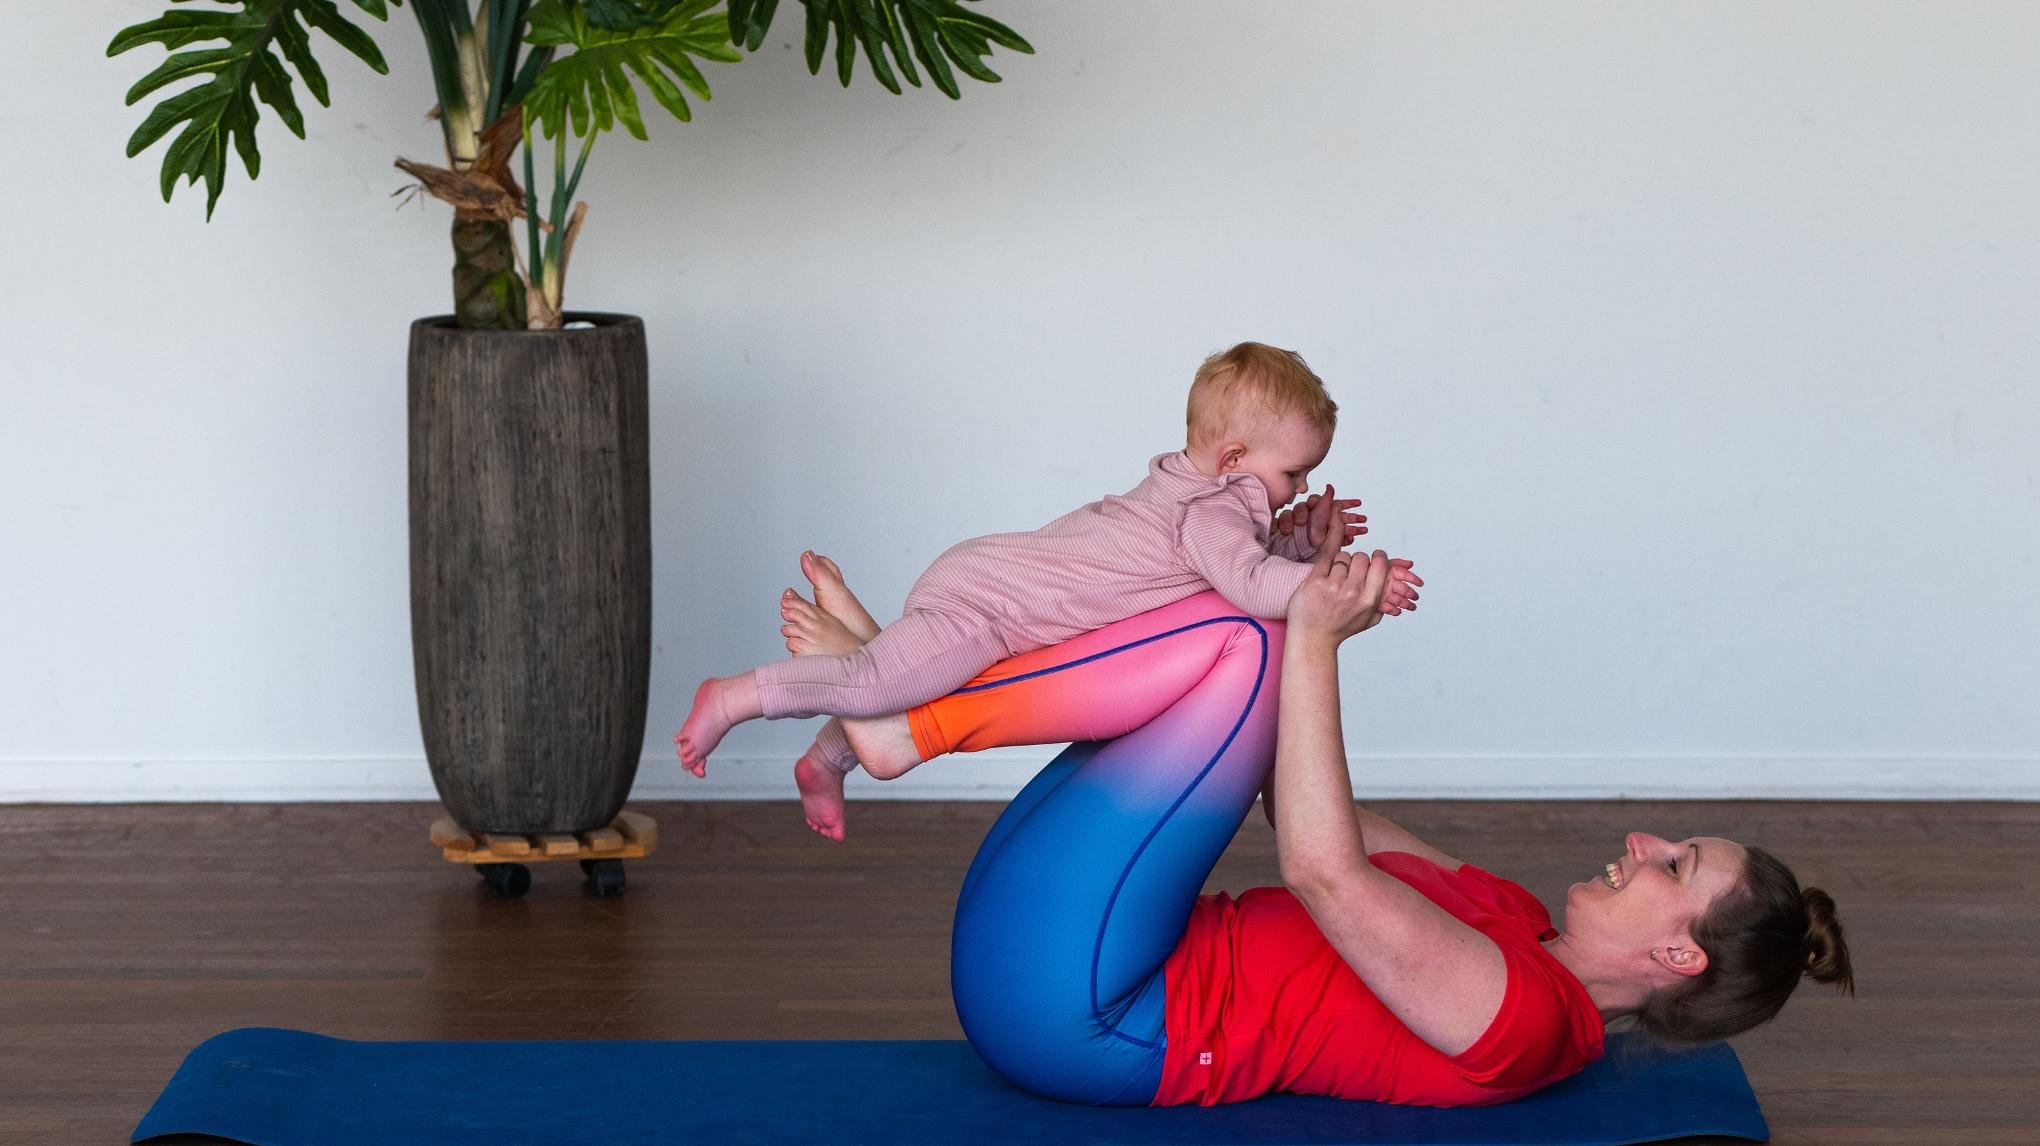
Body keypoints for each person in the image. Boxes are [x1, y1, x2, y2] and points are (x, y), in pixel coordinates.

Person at [777, 542, 1855, 1108]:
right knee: (1241, 625)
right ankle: (909, 698)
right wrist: (1285, 570)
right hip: (1099, 940)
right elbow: (1285, 790)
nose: (1642, 843)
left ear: (1679, 953)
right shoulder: (1518, 922)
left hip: (1084, 1012)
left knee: (1254, 647)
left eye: (1675, 864)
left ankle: (904, 717)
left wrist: (1315, 638)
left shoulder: (1531, 1022)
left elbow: (1322, 870)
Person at [674, 341, 1419, 840]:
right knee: (873, 682)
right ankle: (734, 697)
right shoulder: (1212, 509)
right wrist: (1354, 581)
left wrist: (1298, 540)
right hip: (991, 609)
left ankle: (827, 760)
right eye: (1292, 473)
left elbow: (1235, 566)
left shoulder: (1203, 496)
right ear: (1231, 459)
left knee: (905, 689)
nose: (1302, 485)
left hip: (988, 577)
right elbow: (1251, 582)